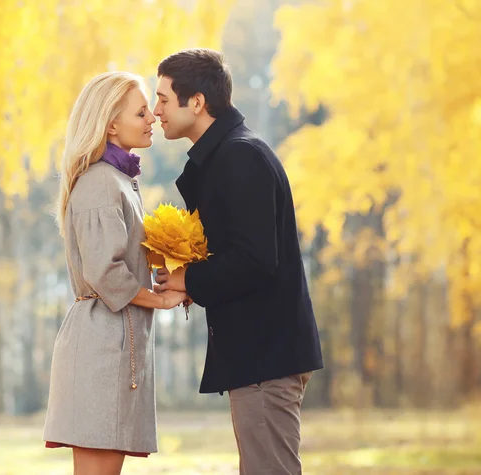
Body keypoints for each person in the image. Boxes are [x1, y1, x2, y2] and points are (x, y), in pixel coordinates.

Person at [153, 49, 324, 475]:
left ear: (196, 102)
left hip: (266, 355)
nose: (156, 112)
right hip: (259, 354)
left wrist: (188, 279)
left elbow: (255, 259)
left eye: (162, 99)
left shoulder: (240, 157)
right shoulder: (226, 156)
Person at [43, 71, 188, 475]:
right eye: (141, 112)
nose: (152, 119)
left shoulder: (121, 180)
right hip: (100, 351)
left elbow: (129, 260)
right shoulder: (101, 183)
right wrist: (159, 299)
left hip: (114, 346)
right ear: (110, 124)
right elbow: (106, 273)